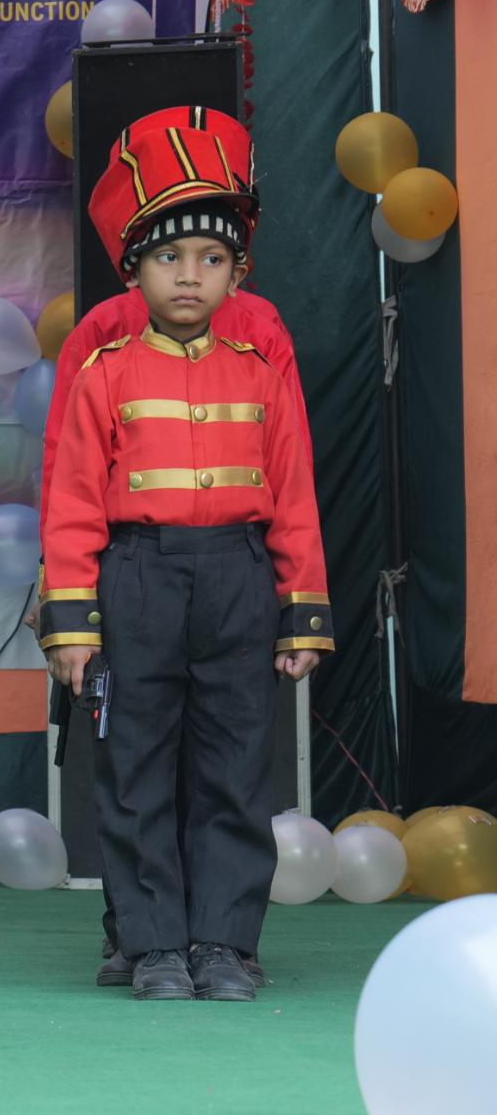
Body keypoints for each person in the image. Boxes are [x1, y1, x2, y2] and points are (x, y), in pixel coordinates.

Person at [39, 105, 331, 1004]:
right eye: (170, 257)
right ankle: (151, 943)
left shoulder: (260, 350)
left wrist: (301, 606)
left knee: (236, 766)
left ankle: (225, 943)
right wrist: (71, 618)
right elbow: (71, 490)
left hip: (238, 575)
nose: (191, 275)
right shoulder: (104, 356)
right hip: (138, 575)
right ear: (134, 266)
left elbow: (292, 485)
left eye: (211, 258)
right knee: (134, 764)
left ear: (238, 268)